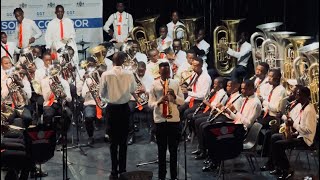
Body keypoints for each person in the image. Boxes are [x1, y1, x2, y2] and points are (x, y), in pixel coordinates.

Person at [99, 52, 137, 179]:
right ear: (123, 61)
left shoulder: (106, 74)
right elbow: (133, 89)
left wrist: (107, 98)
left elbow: (101, 93)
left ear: (113, 61)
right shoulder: (129, 73)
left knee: (113, 142)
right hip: (124, 109)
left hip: (111, 109)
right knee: (123, 142)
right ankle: (123, 169)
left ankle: (114, 170)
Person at [265, 87, 317, 179]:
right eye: (296, 94)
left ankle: (287, 169)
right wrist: (294, 132)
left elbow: (308, 130)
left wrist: (294, 125)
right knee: (274, 137)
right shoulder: (302, 107)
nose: (296, 96)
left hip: (305, 139)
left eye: (298, 94)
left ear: (305, 96)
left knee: (278, 145)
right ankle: (278, 167)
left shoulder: (309, 110)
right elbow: (300, 124)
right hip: (299, 135)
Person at [148, 62, 184, 180]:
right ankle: (161, 177)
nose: (166, 74)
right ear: (159, 72)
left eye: (168, 72)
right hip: (160, 120)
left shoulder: (175, 83)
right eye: (164, 72)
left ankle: (174, 176)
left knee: (173, 151)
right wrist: (159, 101)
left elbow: (182, 102)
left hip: (173, 119)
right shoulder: (154, 84)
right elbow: (150, 104)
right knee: (161, 150)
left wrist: (174, 97)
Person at [128, 61, 154, 144]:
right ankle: (131, 135)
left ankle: (153, 135)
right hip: (134, 99)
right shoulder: (131, 77)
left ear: (145, 70)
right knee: (128, 110)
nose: (140, 73)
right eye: (138, 71)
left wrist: (145, 90)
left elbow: (153, 91)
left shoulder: (150, 78)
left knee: (151, 109)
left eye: (142, 71)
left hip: (145, 99)